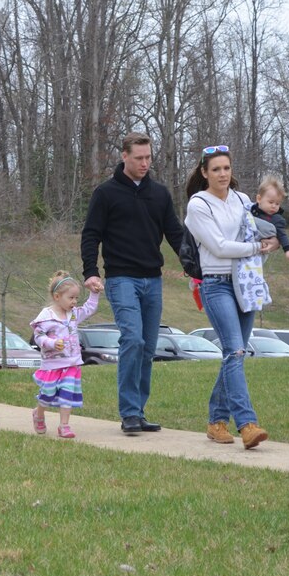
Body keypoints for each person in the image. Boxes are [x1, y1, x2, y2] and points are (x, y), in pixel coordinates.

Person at [80, 132, 184, 435]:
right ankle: (128, 413)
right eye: (138, 157)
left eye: (148, 157)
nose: (144, 163)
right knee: (133, 340)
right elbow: (91, 235)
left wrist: (194, 266)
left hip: (153, 279)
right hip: (121, 278)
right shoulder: (106, 193)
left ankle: (138, 411)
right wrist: (91, 272)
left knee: (148, 347)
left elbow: (175, 234)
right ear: (124, 156)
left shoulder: (160, 194)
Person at [184, 144, 279, 449]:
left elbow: (261, 228)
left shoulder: (242, 200)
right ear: (204, 173)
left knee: (233, 356)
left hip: (245, 282)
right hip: (215, 284)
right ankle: (248, 424)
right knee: (235, 352)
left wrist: (274, 240)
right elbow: (220, 246)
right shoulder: (199, 205)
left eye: (226, 168)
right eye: (216, 169)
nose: (223, 174)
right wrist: (256, 248)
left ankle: (216, 422)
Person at [29, 272, 100, 439]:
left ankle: (64, 425)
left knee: (67, 393)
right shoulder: (46, 316)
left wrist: (95, 293)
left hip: (71, 363)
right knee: (47, 395)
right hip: (52, 365)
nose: (75, 302)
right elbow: (38, 337)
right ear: (57, 296)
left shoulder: (73, 314)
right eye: (71, 298)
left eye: (76, 298)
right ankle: (38, 414)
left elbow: (89, 308)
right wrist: (52, 343)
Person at [250, 176, 289, 262]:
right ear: (259, 199)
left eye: (277, 203)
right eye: (270, 202)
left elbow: (282, 235)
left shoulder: (276, 219)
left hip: (259, 253)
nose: (274, 206)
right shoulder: (251, 209)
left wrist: (288, 250)